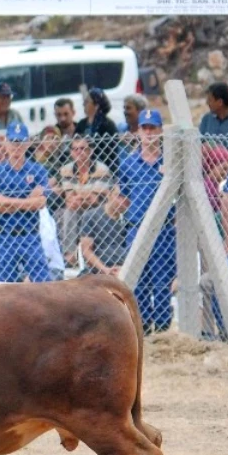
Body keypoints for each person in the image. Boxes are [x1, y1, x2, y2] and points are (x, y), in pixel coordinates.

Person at [113, 109, 176, 333]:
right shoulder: (128, 163)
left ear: (161, 131)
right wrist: (114, 202)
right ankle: (143, 328)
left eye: (153, 128)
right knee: (139, 281)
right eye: (145, 128)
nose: (149, 133)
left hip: (164, 230)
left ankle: (162, 327)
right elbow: (124, 197)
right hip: (136, 228)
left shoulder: (171, 161)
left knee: (162, 281)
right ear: (138, 131)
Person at [0, 122, 52, 283]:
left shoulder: (37, 170)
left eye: (21, 142)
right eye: (13, 142)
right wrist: (28, 201)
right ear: (6, 142)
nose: (17, 147)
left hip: (30, 235)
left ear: (27, 143)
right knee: (3, 286)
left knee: (43, 284)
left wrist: (5, 201)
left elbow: (41, 203)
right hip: (5, 236)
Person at [56, 135, 111, 265]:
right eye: (75, 149)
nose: (79, 152)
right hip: (76, 208)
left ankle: (77, 254)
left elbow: (95, 200)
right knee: (65, 212)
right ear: (71, 153)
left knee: (77, 211)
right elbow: (69, 198)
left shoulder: (101, 169)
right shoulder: (66, 170)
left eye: (83, 148)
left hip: (98, 210)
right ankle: (69, 254)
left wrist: (78, 196)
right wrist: (82, 197)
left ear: (90, 151)